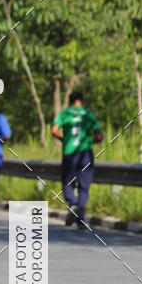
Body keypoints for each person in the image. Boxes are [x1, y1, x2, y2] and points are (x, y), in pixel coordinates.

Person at [52, 91, 103, 228]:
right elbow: (99, 136)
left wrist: (63, 139)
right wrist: (91, 141)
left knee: (67, 182)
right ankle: (80, 218)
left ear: (70, 101)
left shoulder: (64, 114)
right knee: (84, 186)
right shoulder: (88, 115)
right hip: (86, 153)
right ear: (82, 101)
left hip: (70, 153)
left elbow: (54, 130)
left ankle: (72, 203)